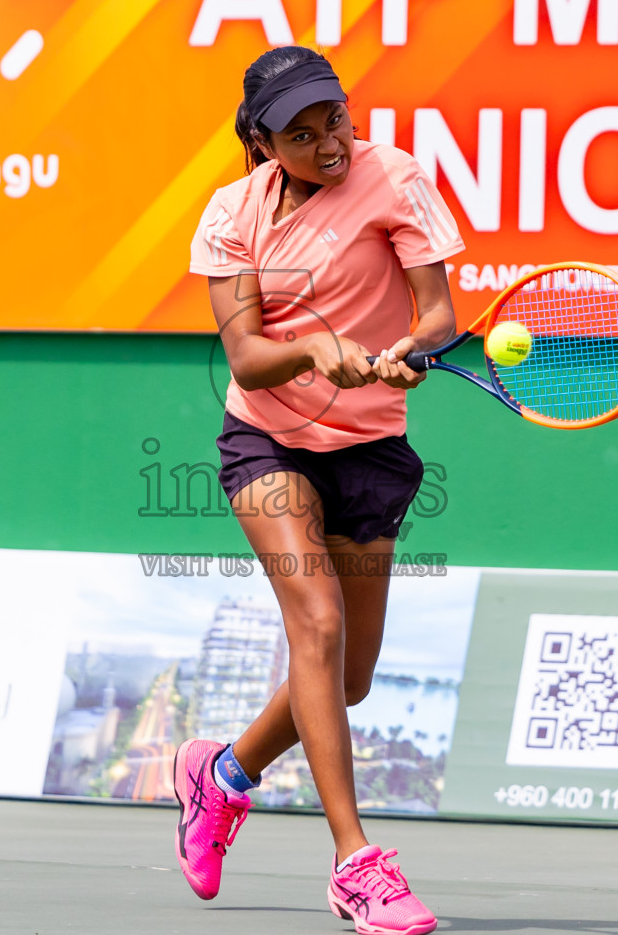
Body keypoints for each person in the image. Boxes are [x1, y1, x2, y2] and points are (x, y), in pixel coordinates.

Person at [172, 45, 462, 935]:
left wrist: (412, 353)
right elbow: (250, 356)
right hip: (268, 437)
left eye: (334, 116)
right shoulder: (232, 215)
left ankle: (220, 774)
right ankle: (356, 865)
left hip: (370, 447)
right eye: (301, 133)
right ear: (264, 142)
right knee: (319, 623)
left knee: (352, 678)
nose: (329, 140)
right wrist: (315, 347)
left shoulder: (395, 178)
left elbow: (440, 314)